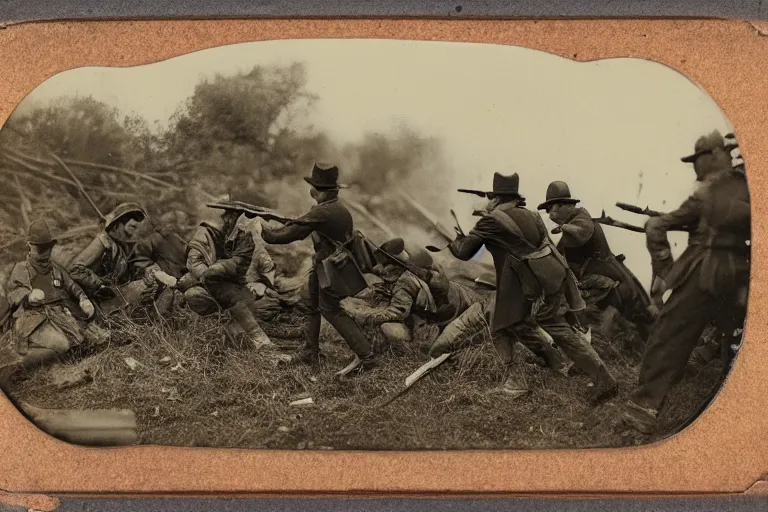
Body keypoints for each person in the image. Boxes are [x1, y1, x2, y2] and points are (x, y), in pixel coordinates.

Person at [445, 172, 618, 405]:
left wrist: (454, 238)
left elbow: (464, 252)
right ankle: (562, 365)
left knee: (506, 327)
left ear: (496, 198)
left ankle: (517, 384)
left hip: (531, 282)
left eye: (491, 196)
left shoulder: (491, 220)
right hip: (549, 276)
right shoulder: (534, 216)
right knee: (522, 324)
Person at [621, 130, 750, 434]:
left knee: (668, 334)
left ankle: (644, 408)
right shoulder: (748, 186)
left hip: (704, 273)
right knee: (734, 338)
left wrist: (665, 270)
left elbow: (656, 225)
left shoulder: (708, 192)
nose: (695, 166)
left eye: (697, 160)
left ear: (713, 157)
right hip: (742, 276)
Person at [260, 163, 376, 372]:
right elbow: (302, 227)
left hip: (331, 270)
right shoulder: (335, 208)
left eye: (314, 186)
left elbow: (292, 234)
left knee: (330, 310)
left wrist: (266, 232)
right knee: (309, 304)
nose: (311, 190)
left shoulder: (323, 211)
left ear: (319, 190)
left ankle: (366, 356)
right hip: (327, 266)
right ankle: (309, 351)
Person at [537, 181, 655, 340]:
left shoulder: (581, 223)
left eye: (551, 209)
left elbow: (580, 235)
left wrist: (563, 229)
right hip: (610, 285)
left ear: (564, 205)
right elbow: (560, 254)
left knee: (646, 325)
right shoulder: (576, 222)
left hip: (613, 287)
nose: (550, 215)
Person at [0, 219, 105, 377]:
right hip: (33, 319)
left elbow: (71, 285)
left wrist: (83, 299)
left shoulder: (55, 268)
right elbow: (13, 292)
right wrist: (28, 295)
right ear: (30, 246)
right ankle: (17, 361)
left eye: (47, 249)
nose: (44, 253)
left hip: (58, 316)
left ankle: (47, 356)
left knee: (82, 342)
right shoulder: (22, 268)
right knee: (61, 346)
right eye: (40, 249)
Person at [179, 200, 274, 351]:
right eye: (231, 216)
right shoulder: (205, 233)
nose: (232, 220)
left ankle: (249, 337)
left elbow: (240, 266)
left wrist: (260, 284)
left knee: (263, 305)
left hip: (236, 289)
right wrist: (209, 275)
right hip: (207, 286)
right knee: (193, 295)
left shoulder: (246, 240)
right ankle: (253, 338)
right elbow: (194, 263)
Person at [68, 203, 176, 316]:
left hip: (113, 294)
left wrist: (149, 275)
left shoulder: (127, 247)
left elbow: (129, 273)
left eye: (139, 220)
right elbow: (75, 269)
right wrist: (99, 285)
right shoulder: (104, 242)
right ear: (121, 220)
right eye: (131, 217)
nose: (136, 222)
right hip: (93, 297)